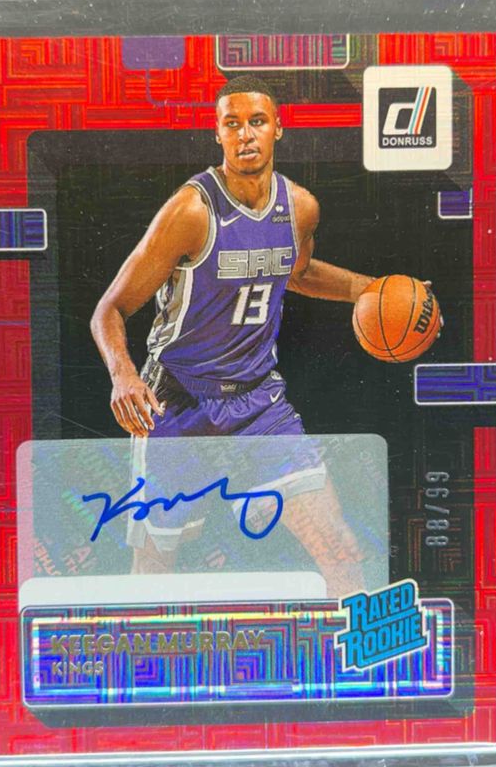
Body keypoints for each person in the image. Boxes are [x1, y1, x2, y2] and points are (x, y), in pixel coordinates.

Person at [90, 75, 374, 589]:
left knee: (339, 547)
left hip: (258, 402)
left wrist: (367, 288)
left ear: (278, 128)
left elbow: (298, 272)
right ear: (217, 133)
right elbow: (110, 308)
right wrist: (123, 375)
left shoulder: (300, 208)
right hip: (178, 401)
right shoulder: (191, 211)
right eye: (232, 123)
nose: (245, 134)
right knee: (153, 571)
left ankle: (353, 645)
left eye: (257, 122)